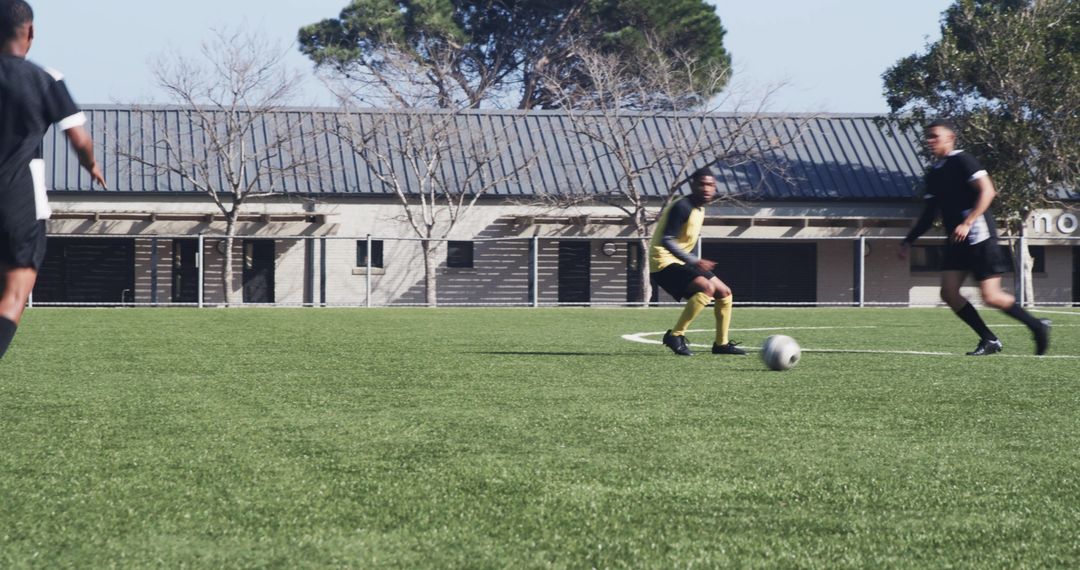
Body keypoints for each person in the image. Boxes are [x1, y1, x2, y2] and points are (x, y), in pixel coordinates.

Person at [0, 0, 105, 359]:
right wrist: (90, 164)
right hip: (18, 201)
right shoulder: (45, 78)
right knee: (14, 294)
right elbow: (78, 137)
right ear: (30, 32)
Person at [899, 119, 1049, 356]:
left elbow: (988, 191)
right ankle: (989, 339)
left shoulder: (963, 161)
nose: (930, 141)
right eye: (927, 137)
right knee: (948, 292)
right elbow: (929, 214)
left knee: (990, 296)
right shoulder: (934, 173)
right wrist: (909, 240)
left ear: (950, 138)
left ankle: (1037, 326)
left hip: (979, 236)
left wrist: (968, 222)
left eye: (935, 136)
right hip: (957, 241)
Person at [650, 166, 744, 357]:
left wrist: (691, 261)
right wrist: (694, 260)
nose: (707, 189)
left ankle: (721, 344)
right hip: (662, 262)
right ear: (693, 185)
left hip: (681, 261)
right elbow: (666, 240)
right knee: (706, 288)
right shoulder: (681, 206)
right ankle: (675, 335)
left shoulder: (699, 209)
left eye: (711, 185)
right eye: (702, 184)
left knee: (724, 292)